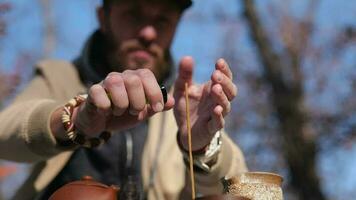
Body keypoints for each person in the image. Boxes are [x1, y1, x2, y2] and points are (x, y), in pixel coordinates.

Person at [0, 0, 248, 199]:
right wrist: (74, 121)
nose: (149, 33)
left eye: (163, 20)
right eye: (133, 13)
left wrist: (200, 148)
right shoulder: (61, 76)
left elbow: (245, 189)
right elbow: (5, 134)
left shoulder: (186, 103)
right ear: (103, 18)